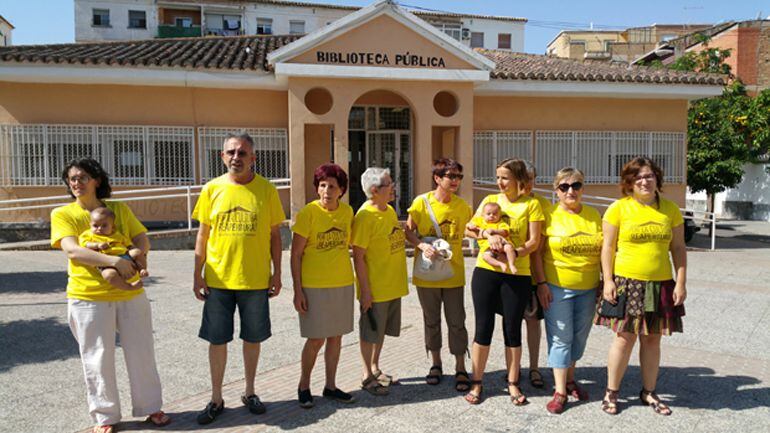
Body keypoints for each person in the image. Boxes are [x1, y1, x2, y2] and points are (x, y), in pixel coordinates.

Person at [51, 158, 169, 433]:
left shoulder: (118, 209)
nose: (76, 183)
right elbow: (73, 251)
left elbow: (141, 237)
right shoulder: (63, 214)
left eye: (82, 177)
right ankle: (105, 417)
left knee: (142, 351)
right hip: (88, 297)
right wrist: (115, 262)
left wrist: (140, 259)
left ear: (97, 180)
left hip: (131, 295)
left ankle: (151, 407)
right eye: (72, 179)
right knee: (96, 357)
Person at [192, 133, 285, 424]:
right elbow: (203, 235)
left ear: (253, 158)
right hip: (219, 281)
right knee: (217, 340)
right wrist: (198, 274)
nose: (236, 157)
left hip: (255, 281)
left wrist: (277, 273)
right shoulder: (211, 189)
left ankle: (250, 391)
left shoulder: (267, 191)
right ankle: (216, 398)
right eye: (231, 152)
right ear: (222, 157)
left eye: (243, 152)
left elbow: (274, 236)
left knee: (252, 338)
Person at [597, 157, 687, 416]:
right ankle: (611, 392)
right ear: (629, 183)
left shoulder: (670, 210)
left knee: (652, 339)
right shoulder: (618, 208)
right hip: (627, 282)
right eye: (638, 178)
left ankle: (649, 391)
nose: (644, 181)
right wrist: (608, 280)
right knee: (624, 338)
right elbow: (608, 247)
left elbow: (678, 248)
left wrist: (680, 282)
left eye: (649, 176)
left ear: (657, 179)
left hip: (660, 284)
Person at [464, 158, 544, 405]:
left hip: (517, 274)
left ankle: (513, 382)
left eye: (505, 177)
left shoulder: (532, 204)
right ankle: (476, 382)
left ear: (519, 180)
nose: (499, 182)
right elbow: (469, 230)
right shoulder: (490, 202)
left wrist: (513, 251)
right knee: (483, 326)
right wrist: (488, 234)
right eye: (497, 177)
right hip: (486, 271)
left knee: (512, 328)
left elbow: (534, 242)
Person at [532, 167, 602, 414]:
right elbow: (537, 255)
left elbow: (604, 250)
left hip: (589, 287)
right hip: (557, 288)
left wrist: (605, 282)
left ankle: (570, 379)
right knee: (561, 337)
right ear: (556, 191)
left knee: (579, 337)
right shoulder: (548, 216)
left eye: (576, 185)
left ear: (583, 188)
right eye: (564, 187)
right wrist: (541, 284)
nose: (571, 191)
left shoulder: (594, 215)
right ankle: (560, 390)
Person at [405, 158, 473, 392]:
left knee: (457, 322)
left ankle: (461, 366)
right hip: (427, 273)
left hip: (453, 273)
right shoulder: (421, 203)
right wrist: (421, 245)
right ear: (437, 178)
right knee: (431, 320)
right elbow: (408, 231)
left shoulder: (462, 206)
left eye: (458, 177)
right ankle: (436, 364)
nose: (455, 181)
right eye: (450, 176)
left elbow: (473, 228)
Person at [291, 163, 356, 408]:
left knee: (336, 337)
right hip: (314, 286)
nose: (326, 190)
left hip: (342, 283)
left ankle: (330, 386)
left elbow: (348, 245)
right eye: (322, 185)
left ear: (341, 190)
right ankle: (304, 385)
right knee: (316, 339)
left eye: (332, 186)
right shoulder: (308, 213)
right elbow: (295, 254)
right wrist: (298, 291)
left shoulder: (348, 212)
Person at [351, 167, 408, 396]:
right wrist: (365, 291)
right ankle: (366, 376)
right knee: (369, 332)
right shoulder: (365, 217)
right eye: (388, 184)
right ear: (374, 190)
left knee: (381, 331)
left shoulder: (390, 211)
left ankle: (375, 367)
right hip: (375, 288)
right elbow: (358, 256)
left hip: (392, 285)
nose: (393, 187)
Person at [521, 160, 549, 389]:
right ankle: (514, 368)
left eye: (530, 178)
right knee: (510, 325)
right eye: (522, 178)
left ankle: (534, 367)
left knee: (532, 323)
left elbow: (542, 244)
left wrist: (542, 281)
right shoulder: (502, 202)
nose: (526, 184)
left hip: (533, 275)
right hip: (510, 275)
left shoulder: (543, 205)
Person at [80, 206, 147, 291]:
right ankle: (128, 287)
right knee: (109, 275)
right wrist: (96, 245)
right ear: (90, 225)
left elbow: (128, 244)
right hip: (106, 262)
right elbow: (84, 244)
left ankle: (142, 270)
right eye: (95, 226)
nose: (99, 228)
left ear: (112, 226)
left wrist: (134, 252)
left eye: (104, 225)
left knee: (137, 252)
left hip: (124, 255)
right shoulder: (88, 235)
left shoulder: (116, 234)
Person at [467, 201, 517, 274]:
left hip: (502, 245)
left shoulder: (500, 223)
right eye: (488, 214)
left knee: (509, 248)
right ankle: (500, 264)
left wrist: (494, 231)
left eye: (495, 214)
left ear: (499, 215)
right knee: (485, 256)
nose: (491, 216)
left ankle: (512, 264)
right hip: (488, 248)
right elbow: (468, 226)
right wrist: (470, 226)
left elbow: (505, 232)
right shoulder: (479, 221)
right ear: (483, 215)